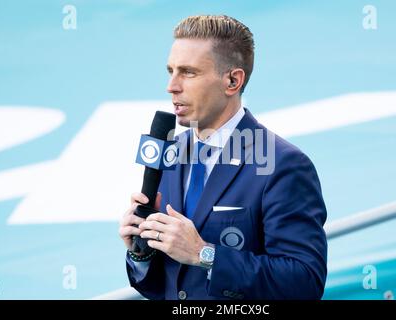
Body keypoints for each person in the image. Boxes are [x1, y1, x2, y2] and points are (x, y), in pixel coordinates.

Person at [119, 15, 327, 300]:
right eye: (170, 71)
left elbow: (304, 283)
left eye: (188, 72)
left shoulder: (284, 164)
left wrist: (203, 254)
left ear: (232, 80)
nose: (172, 86)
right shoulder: (170, 153)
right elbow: (171, 288)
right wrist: (142, 251)